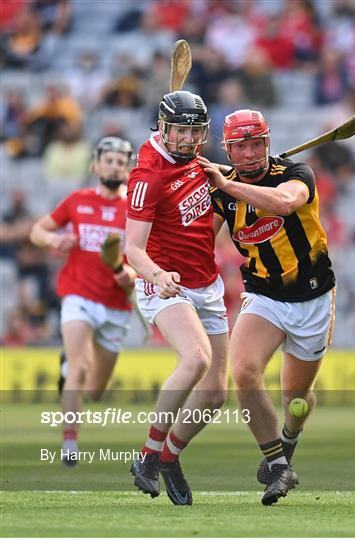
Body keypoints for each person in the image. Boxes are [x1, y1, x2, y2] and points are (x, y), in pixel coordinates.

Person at [197, 109, 336, 506]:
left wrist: (228, 185)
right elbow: (199, 245)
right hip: (264, 297)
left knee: (296, 396)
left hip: (312, 297)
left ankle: (289, 439)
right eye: (241, 146)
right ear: (228, 148)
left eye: (256, 143)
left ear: (268, 142)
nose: (250, 152)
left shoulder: (296, 174)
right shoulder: (222, 193)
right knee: (243, 370)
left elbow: (284, 204)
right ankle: (277, 465)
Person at [125, 91, 229, 506]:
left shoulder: (197, 162)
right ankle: (147, 455)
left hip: (207, 282)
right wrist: (157, 274)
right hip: (164, 282)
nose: (188, 139)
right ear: (163, 128)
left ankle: (170, 456)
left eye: (194, 131)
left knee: (217, 393)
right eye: (180, 131)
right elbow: (132, 249)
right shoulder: (147, 176)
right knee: (196, 358)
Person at [30, 136, 136, 466]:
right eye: (109, 160)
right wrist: (53, 239)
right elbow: (37, 230)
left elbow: (144, 256)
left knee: (96, 390)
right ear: (95, 165)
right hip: (78, 295)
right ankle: (69, 443)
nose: (114, 166)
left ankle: (71, 370)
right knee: (79, 367)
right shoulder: (77, 200)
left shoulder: (135, 210)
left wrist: (130, 276)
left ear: (129, 170)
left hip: (116, 305)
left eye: (121, 162)